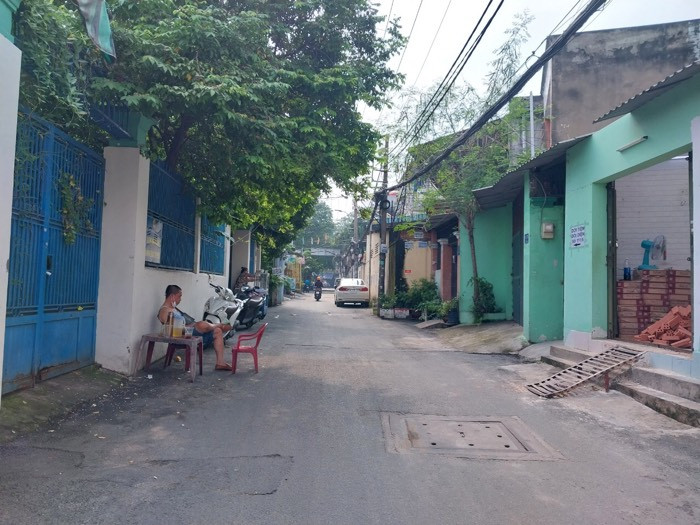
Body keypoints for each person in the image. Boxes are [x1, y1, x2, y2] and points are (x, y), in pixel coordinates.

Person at [158, 285, 232, 371]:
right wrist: (190, 326)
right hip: (182, 336)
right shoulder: (164, 310)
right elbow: (168, 327)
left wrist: (191, 325)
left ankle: (220, 363)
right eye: (179, 296)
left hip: (189, 334)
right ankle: (220, 325)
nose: (180, 299)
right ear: (172, 296)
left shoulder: (173, 309)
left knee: (217, 331)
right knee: (202, 325)